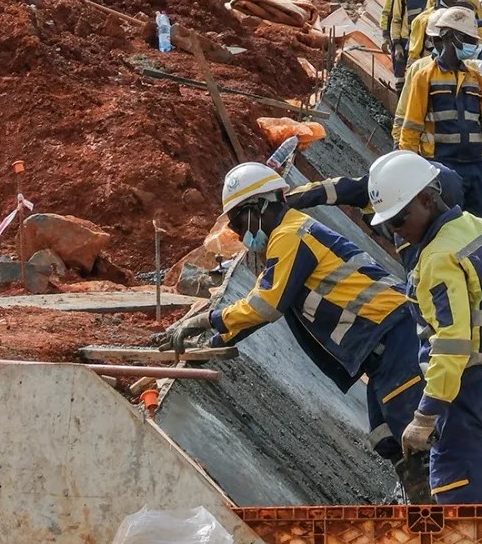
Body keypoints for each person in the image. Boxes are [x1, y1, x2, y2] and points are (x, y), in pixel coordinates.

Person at [166, 163, 432, 501]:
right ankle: (427, 507)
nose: (240, 235)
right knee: (386, 438)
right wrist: (215, 340)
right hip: (379, 344)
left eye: (237, 224)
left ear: (257, 208)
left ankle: (453, 505)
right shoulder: (286, 238)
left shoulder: (290, 236)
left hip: (392, 332)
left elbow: (266, 305)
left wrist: (204, 322)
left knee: (412, 430)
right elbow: (260, 307)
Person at [367, 151, 482, 505]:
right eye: (388, 225)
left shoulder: (437, 259)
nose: (396, 231)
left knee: (458, 510)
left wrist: (426, 414)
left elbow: (451, 341)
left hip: (466, 393)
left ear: (426, 198)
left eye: (400, 220)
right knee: (474, 499)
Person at [393, 6, 482, 219]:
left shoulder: (476, 78)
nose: (473, 45)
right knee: (451, 226)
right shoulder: (424, 77)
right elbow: (411, 128)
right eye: (468, 39)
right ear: (449, 36)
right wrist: (409, 168)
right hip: (441, 166)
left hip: (476, 166)